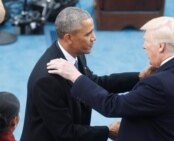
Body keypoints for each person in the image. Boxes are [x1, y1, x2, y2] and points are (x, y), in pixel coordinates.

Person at [47, 16, 174, 141]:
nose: (144, 46)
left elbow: (112, 106)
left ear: (161, 46)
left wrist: (75, 76)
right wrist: (141, 76)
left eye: (146, 41)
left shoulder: (159, 83)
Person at [20, 7, 152, 141]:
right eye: (87, 34)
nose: (94, 38)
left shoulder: (76, 53)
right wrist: (107, 132)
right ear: (69, 38)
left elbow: (93, 84)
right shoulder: (46, 81)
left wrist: (138, 77)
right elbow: (65, 133)